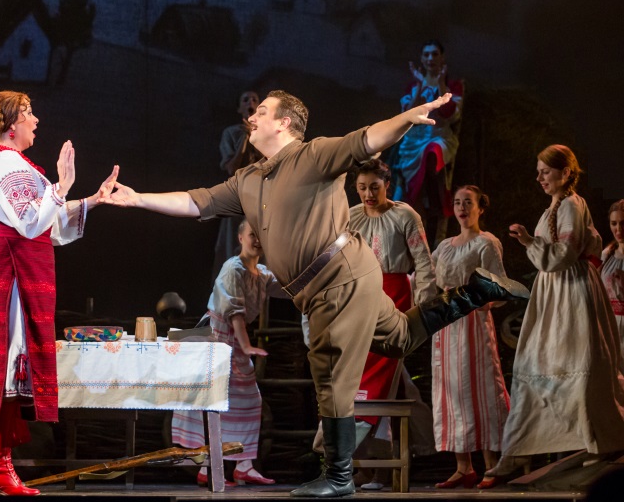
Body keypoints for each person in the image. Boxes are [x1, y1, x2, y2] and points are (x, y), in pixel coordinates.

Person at [98, 89, 529, 498]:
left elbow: (367, 139)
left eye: (261, 111)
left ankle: (339, 476)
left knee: (330, 372)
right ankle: (475, 292)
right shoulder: (248, 179)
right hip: (338, 281)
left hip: (337, 279)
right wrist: (138, 199)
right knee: (398, 338)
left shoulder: (314, 154)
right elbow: (197, 201)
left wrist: (407, 119)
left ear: (284, 123)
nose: (251, 117)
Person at [0, 88, 118, 496]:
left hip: (14, 265)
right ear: (12, 124)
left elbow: (49, 222)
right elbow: (31, 221)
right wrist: (62, 184)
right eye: (28, 113)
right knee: (5, 362)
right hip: (10, 270)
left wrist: (93, 200)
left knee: (8, 364)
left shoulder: (13, 163)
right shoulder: (5, 162)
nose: (36, 120)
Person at [485, 145, 624, 485]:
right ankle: (518, 449)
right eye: (539, 172)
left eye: (545, 171)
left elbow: (562, 255)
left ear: (565, 172)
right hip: (554, 292)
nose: (539, 178)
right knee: (533, 365)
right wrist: (531, 242)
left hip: (571, 291)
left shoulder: (573, 204)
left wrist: (529, 242)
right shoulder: (555, 206)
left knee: (578, 365)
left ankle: (598, 440)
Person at [347, 158, 437, 490]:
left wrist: (424, 309)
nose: (368, 194)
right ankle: (369, 464)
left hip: (394, 297)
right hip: (360, 298)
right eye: (362, 188)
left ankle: (379, 467)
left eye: (374, 187)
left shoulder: (405, 216)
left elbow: (424, 262)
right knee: (364, 380)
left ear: (387, 185)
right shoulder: (350, 218)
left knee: (381, 377)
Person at [172, 220, 281, 487]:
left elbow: (290, 288)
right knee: (213, 399)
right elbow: (235, 313)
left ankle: (242, 465)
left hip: (232, 340)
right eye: (252, 235)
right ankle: (207, 466)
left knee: (247, 400)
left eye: (261, 235)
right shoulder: (233, 268)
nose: (257, 240)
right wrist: (246, 346)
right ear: (241, 237)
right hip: (217, 336)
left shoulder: (262, 273)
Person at [429, 186, 510, 490]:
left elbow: (499, 286)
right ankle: (463, 467)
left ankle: (492, 464)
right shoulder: (445, 246)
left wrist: (475, 299)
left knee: (480, 386)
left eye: (468, 203)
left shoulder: (486, 242)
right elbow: (427, 274)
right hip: (447, 322)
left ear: (480, 208)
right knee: (450, 390)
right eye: (457, 203)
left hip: (473, 321)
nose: (462, 208)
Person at [390, 40, 463, 245]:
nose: (431, 58)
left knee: (432, 153)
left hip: (438, 135)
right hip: (415, 138)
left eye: (435, 54)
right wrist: (421, 85)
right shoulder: (414, 85)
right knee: (406, 177)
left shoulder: (453, 85)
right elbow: (408, 114)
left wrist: (441, 85)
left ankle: (434, 201)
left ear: (442, 58)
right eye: (427, 54)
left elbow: (449, 114)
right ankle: (417, 203)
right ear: (422, 59)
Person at [212, 91, 261, 279]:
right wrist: (245, 138)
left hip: (260, 200)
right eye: (245, 100)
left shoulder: (265, 135)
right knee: (232, 245)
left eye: (254, 99)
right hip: (237, 199)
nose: (250, 103)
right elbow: (232, 168)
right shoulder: (231, 133)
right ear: (239, 108)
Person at [601, 200, 624, 367]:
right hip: (610, 325)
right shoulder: (606, 254)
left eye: (623, 223)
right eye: (614, 223)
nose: (619, 229)